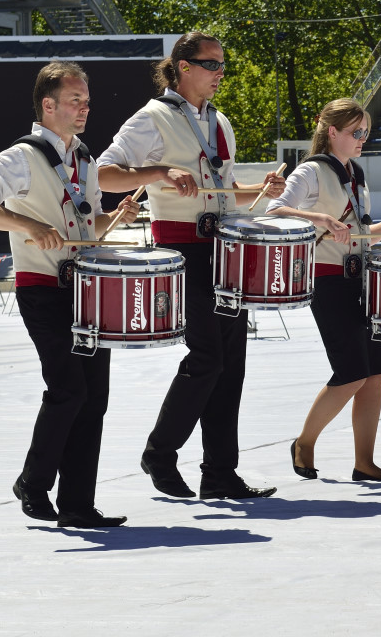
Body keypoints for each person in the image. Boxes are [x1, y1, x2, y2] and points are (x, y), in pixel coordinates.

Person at [97, 31, 286, 500]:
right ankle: (160, 453)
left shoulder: (219, 122)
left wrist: (259, 192)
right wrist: (159, 173)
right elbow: (102, 172)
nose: (220, 73)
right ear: (183, 66)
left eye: (223, 65)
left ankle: (220, 473)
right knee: (207, 359)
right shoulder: (152, 117)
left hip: (225, 250)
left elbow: (221, 191)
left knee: (231, 366)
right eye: (211, 64)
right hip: (183, 250)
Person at [0, 61, 140, 527]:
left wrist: (117, 218)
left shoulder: (85, 160)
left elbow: (87, 225)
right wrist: (27, 224)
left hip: (88, 289)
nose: (85, 108)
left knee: (94, 396)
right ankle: (33, 482)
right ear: (48, 104)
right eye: (75, 101)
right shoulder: (19, 157)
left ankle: (77, 504)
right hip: (43, 289)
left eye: (87, 101)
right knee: (68, 389)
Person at [266, 98, 381, 482]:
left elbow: (361, 233)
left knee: (375, 373)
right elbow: (274, 210)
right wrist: (316, 216)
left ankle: (365, 462)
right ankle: (304, 441)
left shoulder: (356, 172)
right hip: (328, 280)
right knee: (351, 373)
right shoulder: (310, 170)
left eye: (366, 132)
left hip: (362, 279)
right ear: (332, 132)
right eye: (356, 132)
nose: (363, 139)